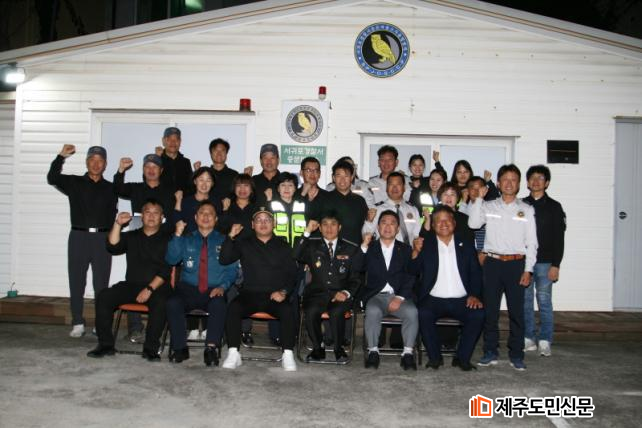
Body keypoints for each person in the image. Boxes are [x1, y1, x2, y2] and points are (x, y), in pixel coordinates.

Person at [468, 164, 538, 371]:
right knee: (490, 312)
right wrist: (478, 199)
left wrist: (528, 269)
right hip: (492, 264)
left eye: (513, 180)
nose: (509, 183)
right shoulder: (489, 206)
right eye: (505, 179)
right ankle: (490, 351)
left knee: (517, 312)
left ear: (519, 184)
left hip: (516, 264)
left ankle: (516, 354)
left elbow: (532, 242)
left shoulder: (526, 209)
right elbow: (473, 224)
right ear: (498, 183)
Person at [47, 144, 117, 337]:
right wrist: (61, 156)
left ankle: (100, 323)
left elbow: (112, 214)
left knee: (101, 284)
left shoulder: (110, 188)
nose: (96, 164)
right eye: (92, 160)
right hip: (78, 237)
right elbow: (52, 178)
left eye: (100, 161)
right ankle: (77, 321)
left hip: (102, 238)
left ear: (105, 164)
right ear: (87, 162)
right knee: (76, 280)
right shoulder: (74, 182)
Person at [87, 200, 171, 360]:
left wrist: (149, 289)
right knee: (104, 296)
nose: (151, 216)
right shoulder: (133, 236)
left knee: (161, 303)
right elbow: (112, 246)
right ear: (142, 216)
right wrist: (118, 224)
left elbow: (166, 270)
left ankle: (151, 348)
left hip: (157, 287)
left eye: (156, 213)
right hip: (132, 285)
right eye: (147, 212)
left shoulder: (169, 239)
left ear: (162, 217)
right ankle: (105, 345)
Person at [220, 208, 299, 371]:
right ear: (252, 225)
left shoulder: (283, 245)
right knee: (233, 307)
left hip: (274, 295)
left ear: (274, 224)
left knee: (287, 310)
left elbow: (292, 274)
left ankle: (288, 353)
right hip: (250, 293)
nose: (263, 223)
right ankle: (234, 352)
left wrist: (284, 291)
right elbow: (224, 259)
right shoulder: (244, 243)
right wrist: (230, 236)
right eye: (259, 220)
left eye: (267, 220)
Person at [410, 206, 485, 371]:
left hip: (462, 299)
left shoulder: (465, 243)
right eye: (438, 221)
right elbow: (412, 271)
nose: (443, 224)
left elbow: (476, 272)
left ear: (454, 223)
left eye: (447, 220)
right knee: (423, 313)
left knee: (478, 314)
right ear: (433, 225)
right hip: (433, 298)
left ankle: (462, 358)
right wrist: (415, 251)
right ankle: (435, 358)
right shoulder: (425, 243)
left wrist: (474, 295)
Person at [165, 200, 239, 366]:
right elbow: (171, 259)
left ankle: (211, 348)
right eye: (202, 213)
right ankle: (179, 347)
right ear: (196, 217)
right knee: (172, 302)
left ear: (216, 219)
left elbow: (232, 270)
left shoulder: (225, 241)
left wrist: (223, 287)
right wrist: (177, 235)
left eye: (210, 213)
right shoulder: (186, 239)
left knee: (219, 304)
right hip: (188, 289)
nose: (206, 216)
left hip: (214, 289)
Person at [294, 213, 363, 362]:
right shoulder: (311, 245)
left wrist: (346, 292)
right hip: (316, 293)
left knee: (337, 311)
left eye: (333, 224)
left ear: (339, 227)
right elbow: (296, 254)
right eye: (325, 224)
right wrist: (307, 231)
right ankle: (318, 348)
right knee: (311, 311)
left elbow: (356, 278)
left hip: (340, 294)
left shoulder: (351, 248)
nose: (329, 228)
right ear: (319, 228)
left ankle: (339, 349)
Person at [361, 210, 419, 370]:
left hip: (399, 296)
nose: (388, 227)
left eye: (392, 223)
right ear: (378, 227)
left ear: (398, 228)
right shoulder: (369, 247)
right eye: (384, 223)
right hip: (376, 295)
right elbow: (358, 268)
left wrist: (399, 297)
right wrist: (363, 247)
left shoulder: (406, 249)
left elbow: (410, 276)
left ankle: (407, 353)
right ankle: (373, 351)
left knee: (412, 312)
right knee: (372, 310)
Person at [523, 165, 566, 357]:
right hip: (524, 262)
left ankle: (545, 340)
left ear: (547, 183)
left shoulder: (554, 207)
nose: (536, 181)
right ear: (527, 182)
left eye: (540, 178)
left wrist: (556, 265)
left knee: (544, 301)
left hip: (546, 262)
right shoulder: (521, 205)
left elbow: (559, 239)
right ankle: (528, 337)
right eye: (532, 178)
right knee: (525, 301)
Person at [216, 173, 256, 346]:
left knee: (247, 295)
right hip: (230, 257)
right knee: (230, 294)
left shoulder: (257, 209)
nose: (242, 189)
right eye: (239, 185)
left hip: (251, 259)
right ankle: (229, 330)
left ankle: (246, 330)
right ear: (234, 189)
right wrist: (225, 211)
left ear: (251, 190)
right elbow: (219, 231)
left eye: (246, 185)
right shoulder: (228, 208)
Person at [362, 172, 422, 246]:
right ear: (386, 188)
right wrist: (369, 221)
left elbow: (417, 235)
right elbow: (365, 235)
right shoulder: (377, 209)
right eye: (391, 184)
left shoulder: (413, 209)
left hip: (409, 251)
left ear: (404, 187)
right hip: (384, 251)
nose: (394, 188)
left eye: (398, 184)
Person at [325, 160, 369, 245]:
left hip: (354, 248)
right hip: (330, 248)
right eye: (338, 175)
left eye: (346, 176)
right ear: (333, 178)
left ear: (352, 177)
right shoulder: (325, 199)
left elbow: (364, 227)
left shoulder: (360, 201)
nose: (342, 180)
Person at [172, 167, 221, 234]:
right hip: (188, 239)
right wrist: (178, 201)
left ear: (212, 183)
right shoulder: (185, 202)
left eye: (208, 180)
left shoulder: (216, 202)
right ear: (195, 181)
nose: (204, 184)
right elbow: (177, 220)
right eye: (201, 180)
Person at [267, 172, 308, 248]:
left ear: (295, 189)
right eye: (283, 185)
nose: (286, 188)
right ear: (278, 189)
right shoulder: (271, 205)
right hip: (277, 248)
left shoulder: (302, 205)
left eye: (290, 185)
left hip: (299, 249)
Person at [157, 127, 193, 194]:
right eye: (169, 139)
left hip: (183, 200)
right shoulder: (157, 160)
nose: (173, 142)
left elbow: (191, 186)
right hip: (161, 200)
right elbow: (148, 181)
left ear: (180, 141)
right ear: (163, 141)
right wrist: (157, 159)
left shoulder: (186, 162)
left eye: (176, 139)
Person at [295, 156, 329, 224]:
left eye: (316, 171)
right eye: (308, 170)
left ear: (319, 174)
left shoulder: (327, 196)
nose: (312, 173)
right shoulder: (294, 194)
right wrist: (303, 195)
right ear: (301, 173)